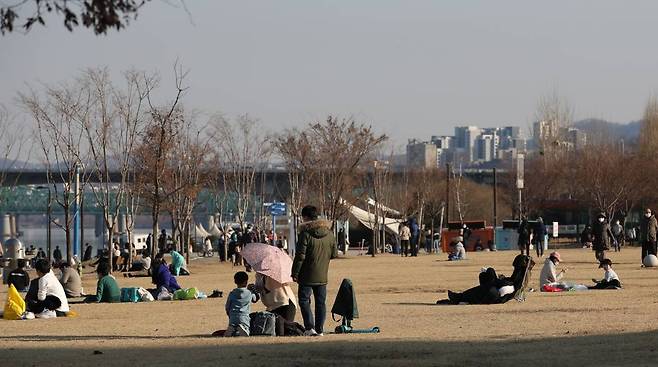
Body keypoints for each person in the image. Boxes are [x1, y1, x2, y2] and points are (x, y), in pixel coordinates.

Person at [292, 205, 338, 336]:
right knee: (320, 303)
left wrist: (295, 273)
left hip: (306, 274)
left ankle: (309, 327)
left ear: (305, 217)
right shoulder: (329, 233)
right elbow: (334, 254)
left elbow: (300, 256)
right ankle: (320, 329)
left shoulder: (305, 234)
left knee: (304, 300)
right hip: (322, 275)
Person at [441, 254, 535, 305]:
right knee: (487, 274)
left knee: (488, 280)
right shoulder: (521, 275)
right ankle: (461, 297)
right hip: (501, 290)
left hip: (498, 294)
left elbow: (511, 287)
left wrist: (501, 281)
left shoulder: (520, 278)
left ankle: (460, 297)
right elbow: (513, 282)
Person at [224, 271, 259, 337]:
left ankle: (232, 328)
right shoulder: (249, 293)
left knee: (233, 327)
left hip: (233, 317)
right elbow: (255, 299)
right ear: (246, 281)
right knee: (246, 329)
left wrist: (229, 314)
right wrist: (253, 290)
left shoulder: (232, 293)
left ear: (235, 282)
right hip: (244, 317)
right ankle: (243, 328)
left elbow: (227, 306)